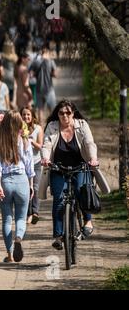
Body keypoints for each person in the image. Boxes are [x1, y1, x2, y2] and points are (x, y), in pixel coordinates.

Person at [40, 100, 110, 250]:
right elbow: (46, 144)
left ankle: (88, 221)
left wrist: (93, 159)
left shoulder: (82, 125)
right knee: (58, 200)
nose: (65, 116)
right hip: (58, 168)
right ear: (57, 114)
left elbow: (89, 143)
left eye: (68, 113)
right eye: (61, 113)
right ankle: (59, 236)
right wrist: (45, 158)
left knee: (81, 191)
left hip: (80, 167)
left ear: (73, 113)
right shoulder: (52, 127)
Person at [0, 110, 35, 263]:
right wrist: (31, 185)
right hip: (22, 180)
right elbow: (30, 165)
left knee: (6, 220)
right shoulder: (24, 140)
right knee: (21, 218)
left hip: (6, 182)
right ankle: (18, 238)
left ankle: (10, 255)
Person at [20, 107, 44, 224]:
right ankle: (28, 213)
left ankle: (35, 212)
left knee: (35, 188)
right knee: (26, 189)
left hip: (36, 162)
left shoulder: (38, 129)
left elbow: (41, 146)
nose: (26, 117)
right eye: (24, 115)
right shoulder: (19, 129)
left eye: (28, 115)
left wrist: (31, 141)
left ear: (32, 116)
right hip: (23, 164)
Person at [30, 43, 57, 124]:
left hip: (39, 88)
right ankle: (52, 126)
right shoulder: (51, 61)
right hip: (49, 89)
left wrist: (37, 74)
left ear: (41, 52)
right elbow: (55, 74)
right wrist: (50, 73)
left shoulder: (36, 62)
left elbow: (31, 74)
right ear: (47, 52)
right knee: (52, 110)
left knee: (40, 110)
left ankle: (41, 130)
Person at [1, 38, 18, 105]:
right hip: (11, 76)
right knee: (10, 94)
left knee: (4, 94)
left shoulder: (3, 56)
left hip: (4, 76)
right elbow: (16, 69)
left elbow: (1, 67)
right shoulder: (14, 57)